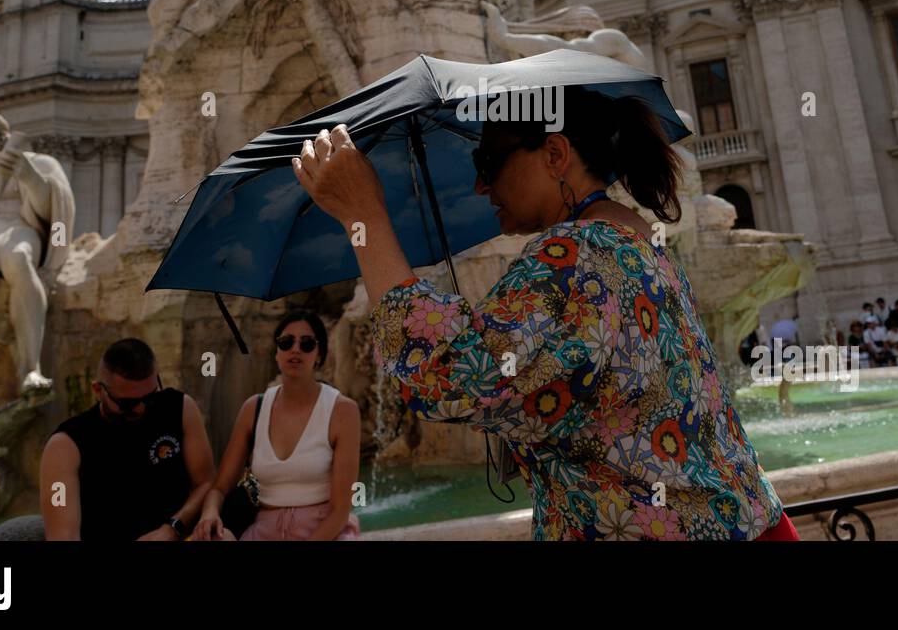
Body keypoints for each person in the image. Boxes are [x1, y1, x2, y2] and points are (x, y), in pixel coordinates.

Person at [291, 89, 798, 541]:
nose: (479, 186)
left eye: (489, 162)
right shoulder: (637, 242)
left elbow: (444, 378)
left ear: (555, 153)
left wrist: (364, 215)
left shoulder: (577, 252)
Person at [196, 311, 361, 541]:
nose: (295, 349)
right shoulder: (253, 408)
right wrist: (209, 512)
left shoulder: (343, 411)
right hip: (265, 530)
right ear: (276, 352)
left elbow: (341, 510)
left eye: (307, 344)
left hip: (324, 531)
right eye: (286, 342)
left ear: (320, 354)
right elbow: (220, 488)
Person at [39, 338, 215, 540]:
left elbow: (206, 483)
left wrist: (173, 528)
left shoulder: (180, 408)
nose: (141, 409)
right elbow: (63, 536)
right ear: (98, 390)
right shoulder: (66, 445)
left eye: (149, 398)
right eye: (127, 403)